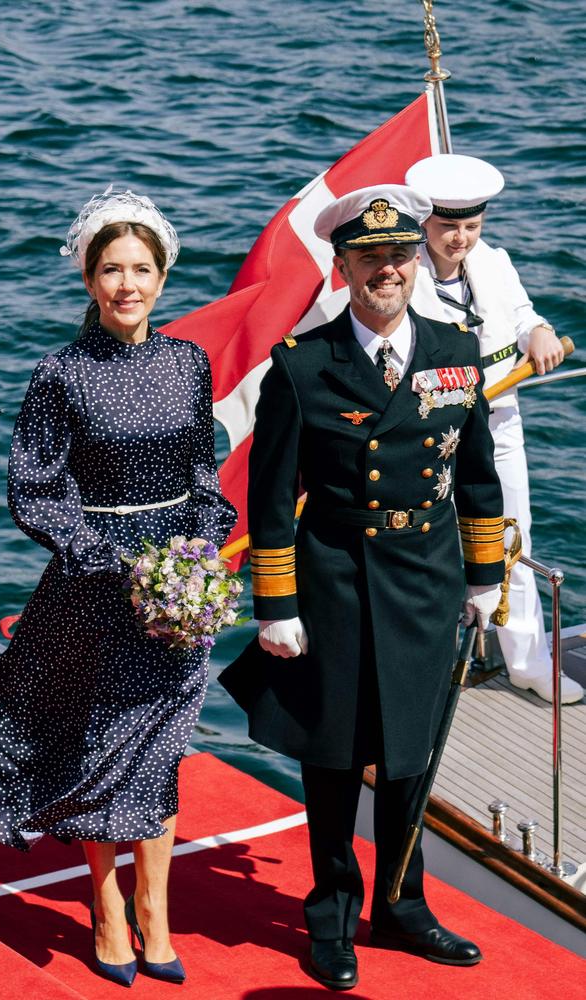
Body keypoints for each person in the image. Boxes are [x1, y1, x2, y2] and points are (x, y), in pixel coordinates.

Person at [220, 185, 505, 991]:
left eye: (400, 254)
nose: (388, 269)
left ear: (419, 260)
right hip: (336, 585)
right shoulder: (304, 367)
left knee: (414, 750)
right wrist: (275, 607)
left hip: (425, 583)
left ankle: (405, 906)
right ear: (341, 268)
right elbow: (271, 500)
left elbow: (478, 478)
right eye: (370, 257)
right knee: (335, 760)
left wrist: (486, 578)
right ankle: (334, 916)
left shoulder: (457, 350)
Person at [0, 187, 237, 987]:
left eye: (140, 269)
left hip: (177, 588)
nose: (126, 285)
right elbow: (34, 489)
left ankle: (156, 913)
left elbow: (202, 476)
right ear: (87, 278)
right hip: (94, 584)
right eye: (110, 269)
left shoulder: (189, 363)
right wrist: (105, 558)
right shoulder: (59, 375)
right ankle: (108, 909)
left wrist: (201, 548)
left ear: (162, 276)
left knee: (161, 751)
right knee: (100, 746)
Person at [406, 153, 583, 705]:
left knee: (512, 536)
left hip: (499, 422)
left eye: (471, 226)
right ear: (424, 224)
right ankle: (425, 669)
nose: (460, 238)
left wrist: (540, 330)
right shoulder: (402, 273)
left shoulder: (494, 261)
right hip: (430, 435)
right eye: (448, 226)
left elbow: (522, 312)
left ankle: (530, 662)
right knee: (429, 548)